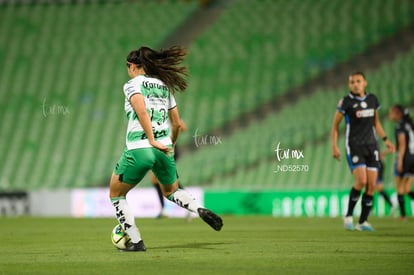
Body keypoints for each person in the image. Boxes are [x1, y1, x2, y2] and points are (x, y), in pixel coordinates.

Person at [109, 46, 223, 252]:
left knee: (116, 194)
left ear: (134, 66)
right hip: (165, 149)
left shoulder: (132, 85)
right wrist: (171, 144)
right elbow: (177, 123)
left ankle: (135, 240)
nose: (127, 70)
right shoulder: (164, 87)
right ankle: (199, 209)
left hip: (139, 148)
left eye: (128, 66)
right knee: (172, 191)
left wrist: (151, 139)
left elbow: (141, 110)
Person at [331, 72, 394, 231]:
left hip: (372, 146)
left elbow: (376, 123)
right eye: (352, 82)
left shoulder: (372, 99)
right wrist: (334, 146)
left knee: (372, 185)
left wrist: (386, 140)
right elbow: (335, 126)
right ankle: (348, 216)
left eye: (358, 81)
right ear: (349, 84)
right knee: (362, 181)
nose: (355, 84)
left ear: (365, 82)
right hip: (354, 146)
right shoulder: (345, 102)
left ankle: (363, 222)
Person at [151, 119, 188, 219]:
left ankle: (188, 202)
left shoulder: (167, 114)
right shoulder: (154, 113)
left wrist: (172, 131)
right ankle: (164, 209)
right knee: (155, 178)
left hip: (169, 147)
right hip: (159, 148)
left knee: (166, 178)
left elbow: (183, 127)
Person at [389, 104, 414, 220]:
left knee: (399, 188)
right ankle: (403, 215)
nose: (390, 115)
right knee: (407, 189)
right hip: (413, 157)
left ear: (397, 113)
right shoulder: (409, 124)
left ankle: (403, 215)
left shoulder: (400, 125)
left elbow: (403, 144)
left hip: (405, 158)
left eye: (391, 112)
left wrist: (399, 161)